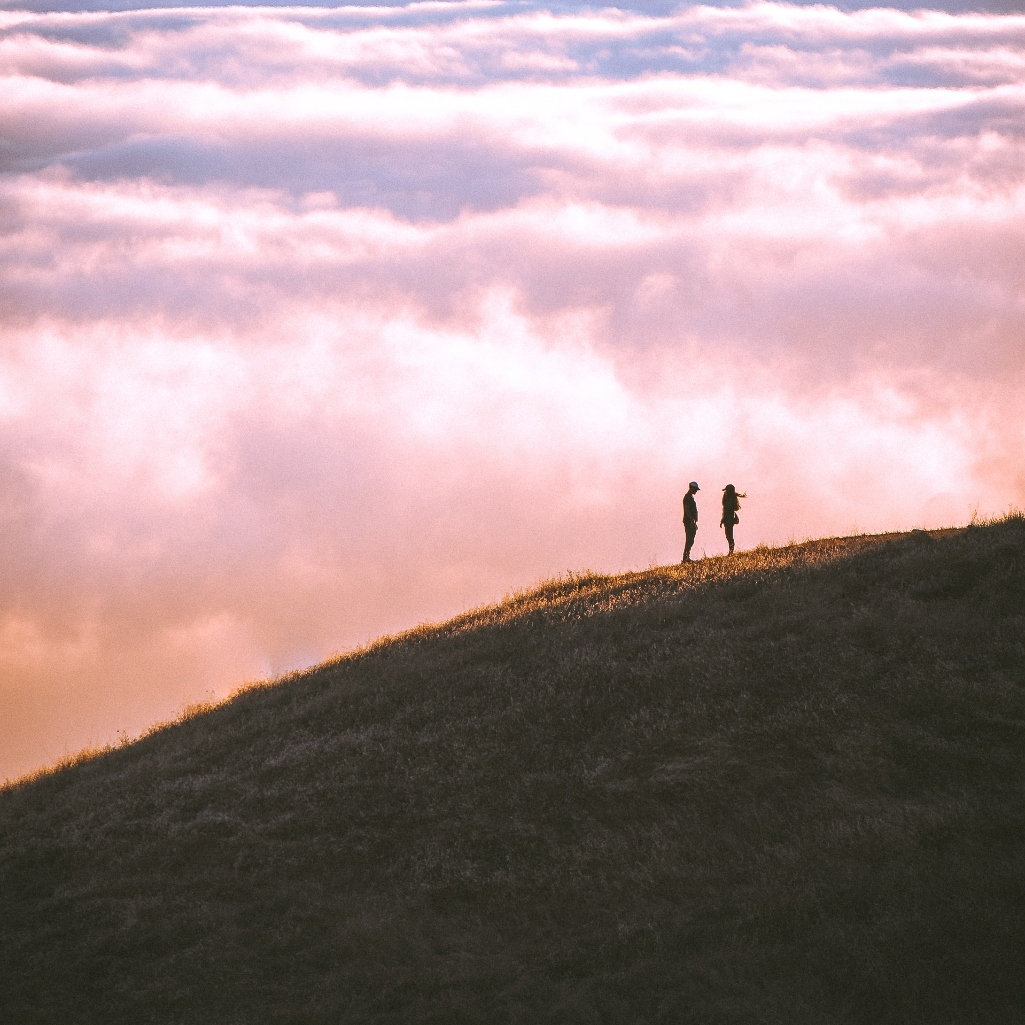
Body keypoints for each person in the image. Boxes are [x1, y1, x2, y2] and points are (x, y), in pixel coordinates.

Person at [720, 484, 746, 554]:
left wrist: (723, 519)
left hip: (728, 518)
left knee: (729, 535)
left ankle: (731, 551)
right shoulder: (730, 498)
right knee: (729, 535)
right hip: (729, 518)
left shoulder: (728, 499)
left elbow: (726, 511)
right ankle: (731, 550)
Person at [682, 481, 700, 562]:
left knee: (691, 539)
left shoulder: (690, 497)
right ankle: (685, 558)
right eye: (695, 489)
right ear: (692, 488)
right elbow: (687, 509)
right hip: (689, 521)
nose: (696, 491)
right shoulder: (687, 497)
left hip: (691, 521)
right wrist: (692, 520)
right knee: (689, 539)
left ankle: (686, 557)